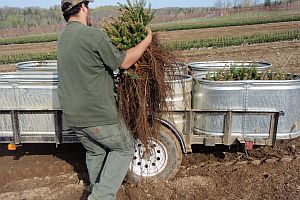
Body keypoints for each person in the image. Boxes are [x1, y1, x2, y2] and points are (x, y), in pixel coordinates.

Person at [57, 0, 152, 199]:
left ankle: (95, 188)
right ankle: (100, 197)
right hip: (96, 114)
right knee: (124, 147)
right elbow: (124, 61)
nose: (89, 10)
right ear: (83, 7)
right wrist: (146, 40)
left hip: (74, 116)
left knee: (96, 151)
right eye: (88, 6)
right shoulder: (92, 35)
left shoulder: (63, 37)